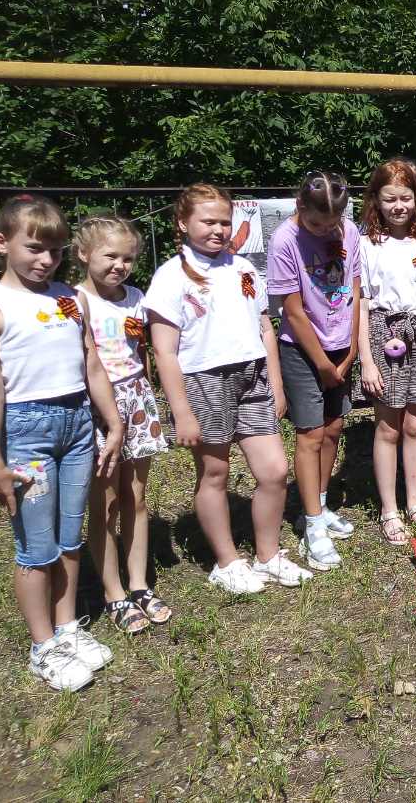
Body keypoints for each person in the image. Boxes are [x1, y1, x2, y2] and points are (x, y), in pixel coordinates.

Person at [0, 195, 123, 690]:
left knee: (71, 536)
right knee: (37, 545)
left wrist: (113, 422)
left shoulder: (69, 299)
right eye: (34, 248)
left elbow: (91, 363)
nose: (46, 259)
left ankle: (68, 626)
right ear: (1, 242)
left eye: (54, 250)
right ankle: (43, 645)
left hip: (77, 426)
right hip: (26, 435)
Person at [146, 183, 312, 594]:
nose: (219, 230)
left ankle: (268, 555)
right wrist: (181, 410)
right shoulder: (170, 277)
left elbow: (264, 326)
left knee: (275, 470)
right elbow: (164, 351)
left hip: (252, 375)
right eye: (208, 222)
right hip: (204, 381)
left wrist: (276, 382)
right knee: (215, 471)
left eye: (225, 222)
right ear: (182, 223)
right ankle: (227, 562)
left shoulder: (243, 268)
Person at [76, 216, 171, 635]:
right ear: (83, 254)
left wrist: (147, 391)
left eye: (128, 258)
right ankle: (112, 592)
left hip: (136, 398)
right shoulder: (74, 300)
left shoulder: (135, 297)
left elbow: (140, 348)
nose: (120, 265)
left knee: (136, 495)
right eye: (110, 256)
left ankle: (139, 585)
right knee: (107, 502)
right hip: (98, 404)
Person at [266, 171, 361, 572]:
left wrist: (351, 349)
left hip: (342, 347)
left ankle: (319, 504)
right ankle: (312, 525)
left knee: (334, 428)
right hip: (303, 350)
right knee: (311, 435)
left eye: (332, 223)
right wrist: (322, 363)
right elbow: (292, 311)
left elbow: (355, 290)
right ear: (299, 206)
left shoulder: (348, 231)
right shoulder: (284, 241)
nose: (326, 231)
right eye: (318, 224)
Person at [358, 158, 416, 545]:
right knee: (388, 426)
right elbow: (362, 305)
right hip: (385, 335)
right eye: (390, 199)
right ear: (376, 201)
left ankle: (414, 503)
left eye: (405, 198)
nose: (398, 206)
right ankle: (389, 509)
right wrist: (366, 360)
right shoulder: (367, 246)